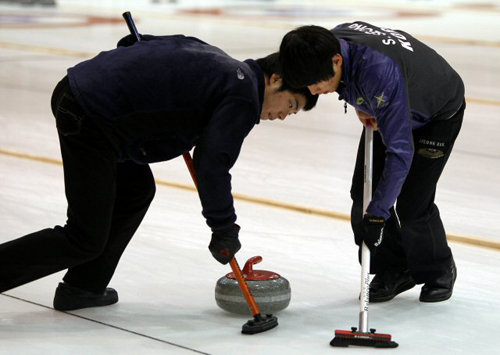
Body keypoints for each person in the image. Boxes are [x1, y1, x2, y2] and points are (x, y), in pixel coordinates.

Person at [0, 33, 317, 311]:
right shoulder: (243, 95)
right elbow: (212, 164)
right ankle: (76, 284)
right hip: (91, 117)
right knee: (84, 237)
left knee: (136, 191)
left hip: (86, 101)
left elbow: (142, 42)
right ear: (275, 79)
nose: (283, 116)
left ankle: (83, 286)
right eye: (290, 105)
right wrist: (223, 228)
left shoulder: (219, 59)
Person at [279, 22, 464, 303]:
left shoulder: (378, 74)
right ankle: (394, 269)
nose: (314, 91)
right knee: (363, 195)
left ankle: (439, 269)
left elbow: (401, 152)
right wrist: (361, 104)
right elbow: (354, 80)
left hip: (437, 111)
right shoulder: (326, 43)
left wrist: (378, 215)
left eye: (318, 82)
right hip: (393, 101)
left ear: (336, 61)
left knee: (413, 201)